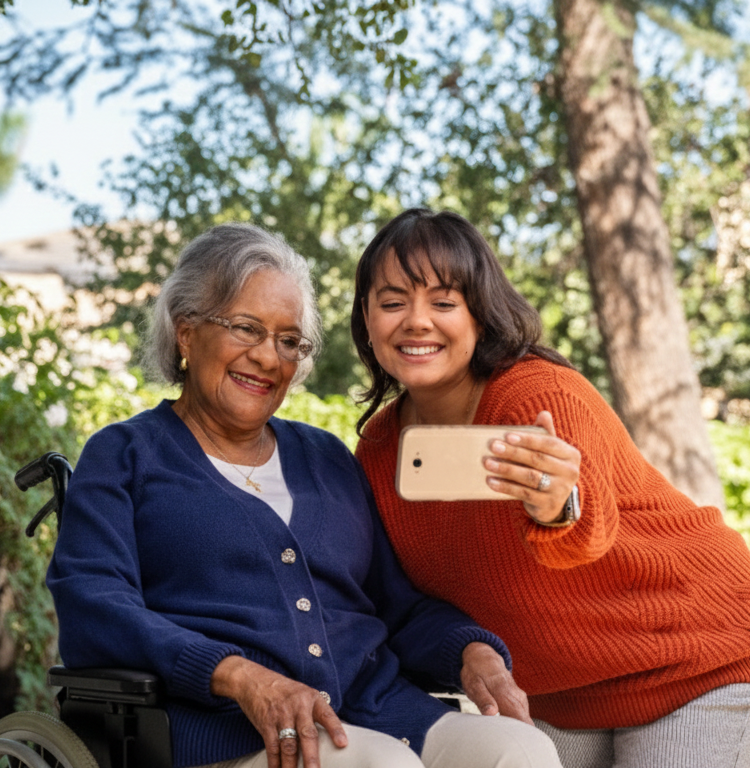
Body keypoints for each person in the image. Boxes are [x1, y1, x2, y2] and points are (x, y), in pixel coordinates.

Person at [46, 223, 562, 768]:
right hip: (234, 737)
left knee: (517, 750)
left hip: (383, 712)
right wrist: (237, 674)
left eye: (288, 340)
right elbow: (94, 607)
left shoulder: (327, 458)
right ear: (186, 333)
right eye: (246, 328)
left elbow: (395, 606)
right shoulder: (126, 455)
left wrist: (471, 651)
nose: (269, 358)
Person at [351, 207, 750, 768]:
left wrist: (558, 506)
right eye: (393, 302)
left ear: (480, 315)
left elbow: (585, 533)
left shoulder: (538, 396)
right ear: (366, 318)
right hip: (555, 695)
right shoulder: (379, 450)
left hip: (693, 656)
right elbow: (407, 598)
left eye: (443, 302)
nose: (416, 321)